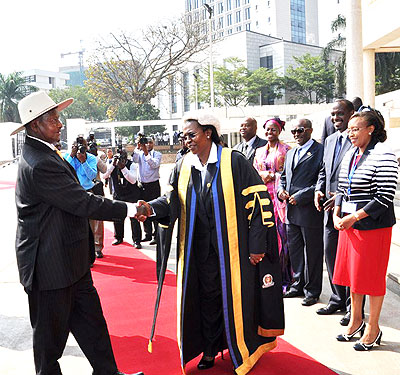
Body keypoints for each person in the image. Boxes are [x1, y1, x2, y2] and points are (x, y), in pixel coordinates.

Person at [136, 113, 284, 374]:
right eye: (184, 136)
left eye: (191, 134)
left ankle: (242, 346)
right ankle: (209, 348)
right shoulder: (184, 165)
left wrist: (257, 245)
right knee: (205, 297)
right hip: (198, 249)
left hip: (234, 250)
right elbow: (172, 200)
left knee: (238, 299)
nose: (186, 140)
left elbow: (260, 203)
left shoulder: (233, 162)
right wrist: (149, 208)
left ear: (208, 133)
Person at [11, 91, 143, 375]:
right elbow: (83, 202)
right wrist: (132, 210)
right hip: (49, 267)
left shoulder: (44, 152)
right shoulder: (40, 162)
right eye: (54, 119)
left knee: (93, 325)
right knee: (49, 344)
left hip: (71, 262)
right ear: (35, 125)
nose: (60, 124)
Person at [333, 109, 398, 351]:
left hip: (372, 227)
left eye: (355, 129)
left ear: (371, 129)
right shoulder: (350, 153)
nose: (351, 134)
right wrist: (336, 213)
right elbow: (341, 188)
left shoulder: (384, 154)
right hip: (349, 225)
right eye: (349, 130)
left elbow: (384, 196)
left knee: (371, 278)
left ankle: (373, 328)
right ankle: (355, 321)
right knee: (354, 277)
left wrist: (354, 217)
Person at [314, 99, 355, 321]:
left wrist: (338, 197)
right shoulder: (329, 140)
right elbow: (324, 170)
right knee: (330, 255)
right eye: (333, 114)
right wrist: (318, 190)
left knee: (350, 260)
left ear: (351, 114)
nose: (335, 118)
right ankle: (337, 299)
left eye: (340, 114)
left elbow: (356, 176)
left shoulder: (358, 140)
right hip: (329, 211)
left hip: (349, 209)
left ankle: (352, 306)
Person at [278, 119, 324, 306]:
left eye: (300, 130)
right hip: (291, 210)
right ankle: (297, 285)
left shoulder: (320, 151)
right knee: (296, 251)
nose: (296, 133)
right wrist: (281, 190)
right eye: (293, 130)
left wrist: (302, 195)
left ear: (310, 130)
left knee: (312, 252)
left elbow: (323, 179)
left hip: (310, 210)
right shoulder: (291, 152)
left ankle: (312, 291)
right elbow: (283, 177)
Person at [253, 117, 292, 291]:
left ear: (279, 131)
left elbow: (288, 174)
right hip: (263, 197)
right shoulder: (259, 151)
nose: (270, 133)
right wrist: (262, 175)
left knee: (281, 237)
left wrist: (273, 176)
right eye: (267, 130)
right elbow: (254, 171)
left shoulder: (287, 150)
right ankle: (267, 274)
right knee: (265, 234)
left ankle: (285, 277)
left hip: (279, 200)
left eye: (273, 130)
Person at [102, 149, 143, 249]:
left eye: (123, 158)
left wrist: (123, 168)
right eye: (119, 158)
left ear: (126, 157)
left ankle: (137, 240)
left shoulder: (132, 165)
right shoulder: (112, 164)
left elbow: (133, 180)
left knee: (134, 217)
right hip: (118, 194)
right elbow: (105, 176)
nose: (121, 160)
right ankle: (118, 237)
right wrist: (113, 165)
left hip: (131, 194)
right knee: (117, 216)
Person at [132, 136, 162, 245]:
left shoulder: (157, 154)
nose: (147, 144)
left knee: (154, 210)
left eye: (149, 142)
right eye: (146, 142)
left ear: (153, 143)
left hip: (153, 185)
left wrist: (146, 153)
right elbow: (134, 159)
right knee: (144, 209)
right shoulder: (139, 153)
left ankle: (156, 235)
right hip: (142, 185)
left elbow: (154, 165)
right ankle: (147, 234)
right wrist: (138, 146)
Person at [88, 142, 108, 258]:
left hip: (97, 190)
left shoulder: (95, 157)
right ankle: (87, 248)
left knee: (98, 221)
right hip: (84, 190)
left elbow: (104, 169)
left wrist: (95, 157)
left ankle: (98, 247)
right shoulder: (78, 157)